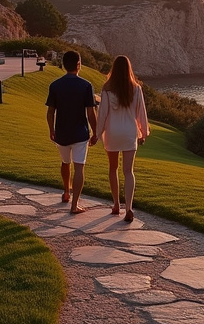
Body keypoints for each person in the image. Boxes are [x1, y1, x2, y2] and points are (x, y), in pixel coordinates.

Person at [97, 55, 150, 222]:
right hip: (129, 132)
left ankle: (116, 205)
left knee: (113, 169)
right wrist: (143, 132)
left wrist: (97, 134)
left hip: (112, 132)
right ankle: (129, 207)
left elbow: (102, 114)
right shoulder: (136, 89)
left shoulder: (107, 89)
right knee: (128, 171)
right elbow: (141, 114)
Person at [46, 50, 98, 214]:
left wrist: (51, 130)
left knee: (65, 162)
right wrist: (95, 132)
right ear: (78, 65)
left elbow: (50, 112)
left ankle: (66, 192)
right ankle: (74, 205)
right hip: (80, 133)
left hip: (61, 133)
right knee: (79, 167)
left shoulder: (55, 85)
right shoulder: (86, 86)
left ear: (63, 65)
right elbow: (90, 113)